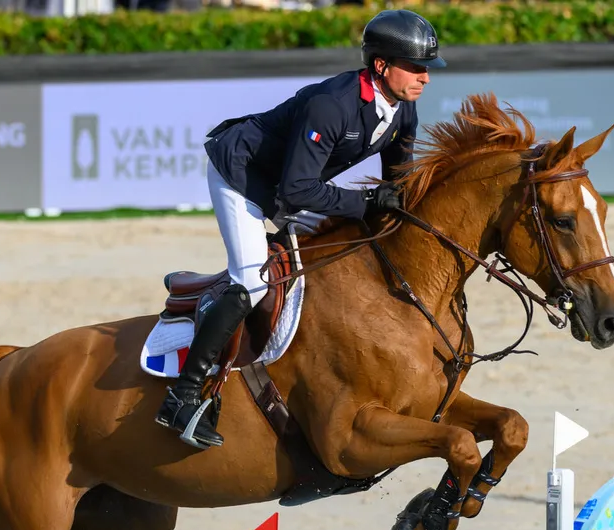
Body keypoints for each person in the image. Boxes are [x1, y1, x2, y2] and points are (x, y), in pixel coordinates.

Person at [154, 8, 445, 449]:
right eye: (416, 67)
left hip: (292, 184)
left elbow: (398, 186)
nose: (425, 78)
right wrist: (363, 202)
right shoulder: (333, 104)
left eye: (427, 69)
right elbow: (296, 190)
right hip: (242, 176)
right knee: (251, 281)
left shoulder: (402, 111)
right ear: (381, 66)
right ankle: (184, 395)